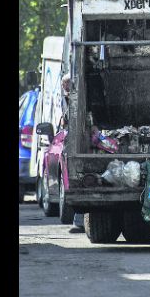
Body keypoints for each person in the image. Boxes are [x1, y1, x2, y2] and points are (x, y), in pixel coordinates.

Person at [61, 73, 85, 234]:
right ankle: (79, 220)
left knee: (77, 179)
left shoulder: (72, 100)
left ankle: (79, 221)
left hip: (75, 144)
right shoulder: (71, 99)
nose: (64, 89)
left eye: (65, 86)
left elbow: (66, 122)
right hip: (75, 144)